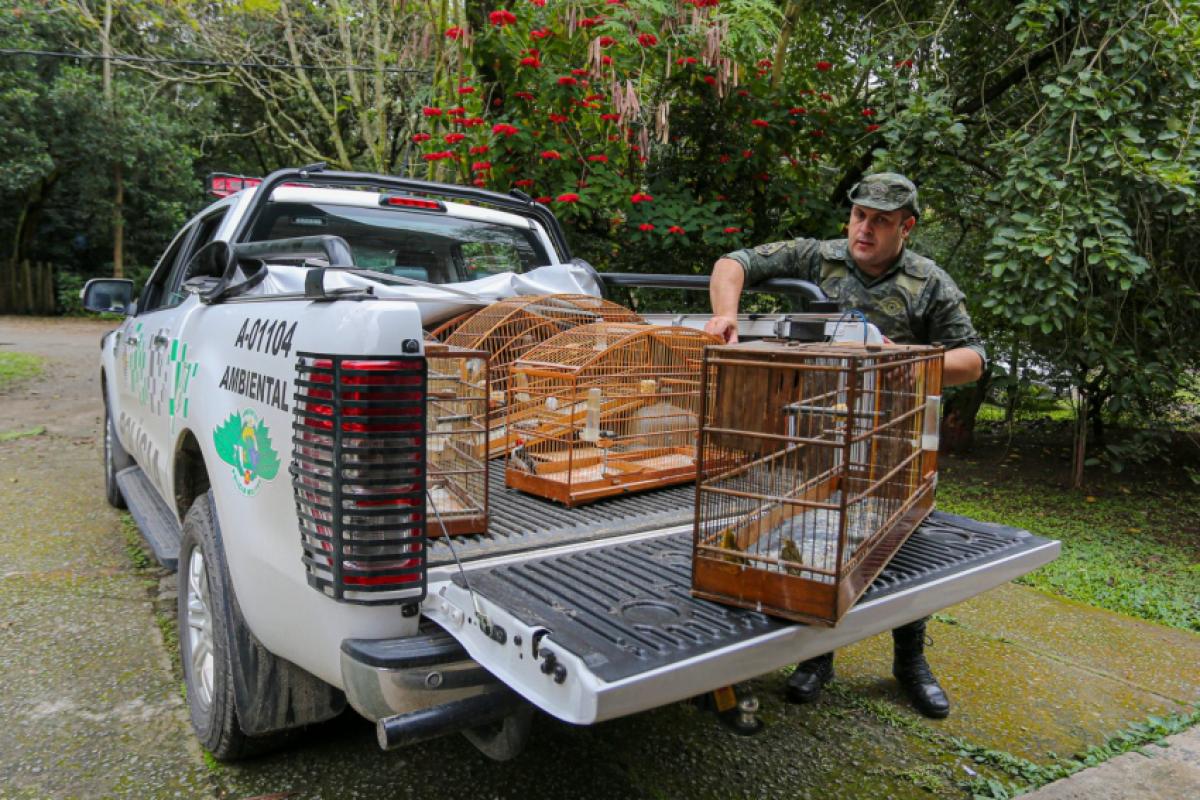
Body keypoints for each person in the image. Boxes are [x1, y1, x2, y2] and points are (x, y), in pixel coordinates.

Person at [703, 172, 986, 719]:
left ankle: (910, 662)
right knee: (817, 538)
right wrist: (727, 313)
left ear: (906, 227)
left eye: (881, 221)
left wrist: (901, 359)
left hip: (895, 437)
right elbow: (733, 262)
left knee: (903, 542)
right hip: (820, 431)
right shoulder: (820, 258)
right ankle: (818, 657)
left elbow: (972, 361)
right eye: (860, 216)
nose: (865, 228)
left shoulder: (929, 282)